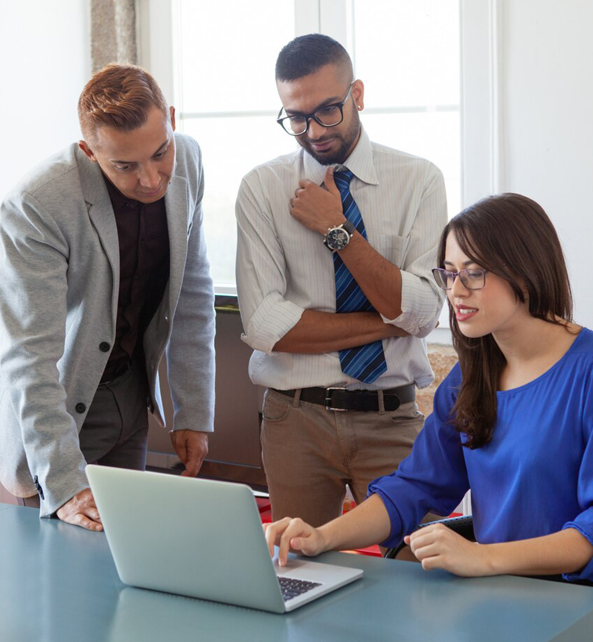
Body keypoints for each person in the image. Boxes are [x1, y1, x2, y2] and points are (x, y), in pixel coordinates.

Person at [264, 193, 593, 583]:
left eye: (473, 273)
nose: (455, 291)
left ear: (525, 272)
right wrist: (321, 536)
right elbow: (415, 486)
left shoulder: (585, 371)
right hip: (495, 593)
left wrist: (482, 558)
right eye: (449, 274)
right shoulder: (470, 377)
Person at [236, 34, 447, 526]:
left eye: (328, 110)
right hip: (295, 419)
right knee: (301, 574)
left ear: (358, 94)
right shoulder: (263, 188)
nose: (312, 131)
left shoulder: (420, 180)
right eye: (296, 117)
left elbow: (426, 310)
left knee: (421, 572)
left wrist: (337, 230)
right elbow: (268, 328)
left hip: (392, 417)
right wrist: (391, 321)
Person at [0, 64, 215, 530]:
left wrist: (193, 412)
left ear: (172, 119)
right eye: (125, 166)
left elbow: (193, 294)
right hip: (60, 407)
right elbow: (29, 356)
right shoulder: (36, 204)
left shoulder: (191, 161)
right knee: (60, 576)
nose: (152, 179)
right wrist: (63, 483)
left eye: (160, 153)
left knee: (124, 560)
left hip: (132, 395)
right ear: (89, 152)